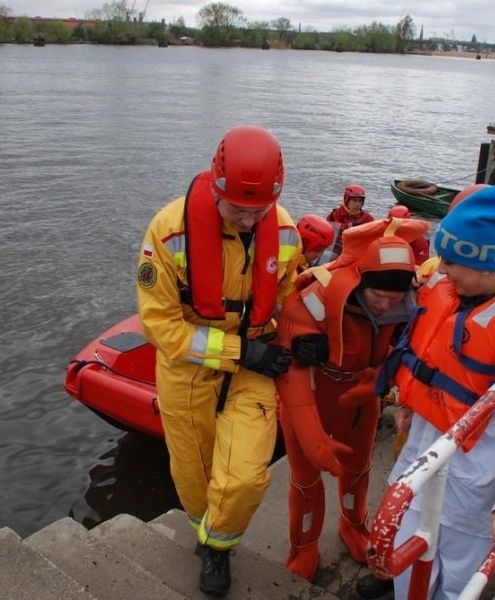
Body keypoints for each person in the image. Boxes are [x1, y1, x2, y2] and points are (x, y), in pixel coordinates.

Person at [136, 125, 302, 597]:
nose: (249, 222)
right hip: (189, 371)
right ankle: (209, 541)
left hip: (254, 367)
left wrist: (304, 338)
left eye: (259, 212)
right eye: (238, 211)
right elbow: (159, 325)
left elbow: (291, 295)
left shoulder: (285, 231)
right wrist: (238, 350)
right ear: (214, 185)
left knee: (247, 476)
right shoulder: (168, 233)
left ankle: (216, 544)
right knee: (193, 473)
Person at [370, 181, 495, 600]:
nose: (441, 270)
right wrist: (414, 404)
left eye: (451, 262)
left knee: (455, 590)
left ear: (487, 264)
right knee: (404, 578)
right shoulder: (452, 294)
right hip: (418, 472)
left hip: (476, 500)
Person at [273, 217, 430, 583]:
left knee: (358, 473)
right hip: (312, 398)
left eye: (395, 299)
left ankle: (354, 526)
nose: (386, 306)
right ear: (361, 281)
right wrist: (312, 436)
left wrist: (383, 378)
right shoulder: (312, 301)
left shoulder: (404, 303)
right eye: (380, 297)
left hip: (362, 403)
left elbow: (409, 351)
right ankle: (303, 545)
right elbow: (290, 371)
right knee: (306, 480)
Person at [324, 184, 375, 259]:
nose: (357, 204)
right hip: (335, 252)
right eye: (354, 201)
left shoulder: (367, 219)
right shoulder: (334, 215)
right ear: (346, 200)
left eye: (360, 201)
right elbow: (326, 234)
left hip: (355, 254)